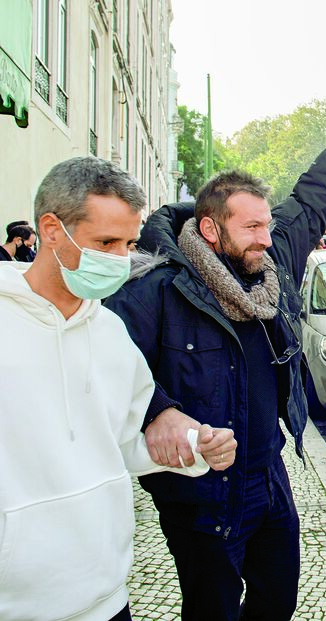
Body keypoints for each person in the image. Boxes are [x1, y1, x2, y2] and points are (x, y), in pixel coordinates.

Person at [104, 110, 326, 620]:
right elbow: (107, 367)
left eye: (267, 225)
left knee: (277, 600)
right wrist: (160, 410)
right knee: (214, 610)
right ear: (210, 228)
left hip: (268, 477)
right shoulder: (155, 289)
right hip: (199, 495)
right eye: (251, 226)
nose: (266, 238)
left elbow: (312, 204)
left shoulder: (269, 268)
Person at [0, 157, 235, 621]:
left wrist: (195, 446)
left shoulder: (109, 330)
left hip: (107, 596)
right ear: (51, 229)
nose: (119, 259)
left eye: (128, 243)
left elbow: (129, 439)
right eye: (105, 242)